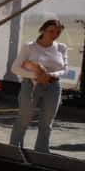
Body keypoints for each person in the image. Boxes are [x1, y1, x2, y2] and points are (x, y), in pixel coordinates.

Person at [9, 19, 68, 153]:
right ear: (42, 30)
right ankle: (13, 150)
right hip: (31, 85)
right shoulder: (30, 46)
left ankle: (41, 152)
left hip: (53, 86)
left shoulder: (61, 47)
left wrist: (50, 75)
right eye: (51, 31)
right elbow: (15, 68)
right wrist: (36, 76)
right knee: (24, 119)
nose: (55, 34)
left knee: (47, 122)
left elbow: (64, 69)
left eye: (58, 32)